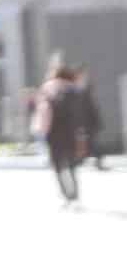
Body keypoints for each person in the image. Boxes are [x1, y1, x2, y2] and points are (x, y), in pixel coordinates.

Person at [35, 53, 87, 206]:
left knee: (57, 165)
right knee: (71, 165)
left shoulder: (47, 87)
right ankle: (75, 194)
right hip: (71, 131)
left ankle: (66, 196)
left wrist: (41, 131)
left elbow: (42, 112)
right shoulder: (74, 90)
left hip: (53, 132)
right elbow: (81, 114)